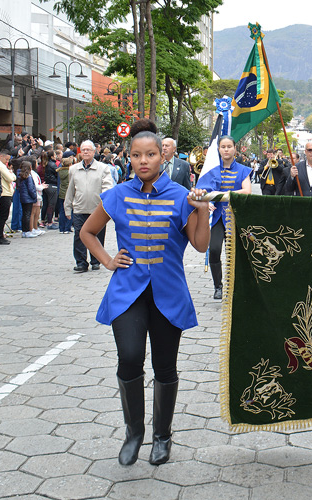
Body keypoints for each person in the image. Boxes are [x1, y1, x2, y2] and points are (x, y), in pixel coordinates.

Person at [80, 120, 210, 467]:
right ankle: (133, 433)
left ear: (162, 158)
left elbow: (200, 246)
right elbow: (88, 231)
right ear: (129, 157)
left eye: (150, 154)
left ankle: (162, 436)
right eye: (136, 155)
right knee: (129, 357)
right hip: (127, 293)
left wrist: (203, 211)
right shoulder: (118, 194)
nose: (143, 160)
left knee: (165, 366)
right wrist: (108, 260)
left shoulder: (182, 196)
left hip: (169, 293)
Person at [196, 136, 252, 299]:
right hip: (216, 217)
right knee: (214, 250)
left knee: (234, 253)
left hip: (234, 216)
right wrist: (208, 201)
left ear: (235, 149)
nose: (226, 149)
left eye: (229, 146)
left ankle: (234, 286)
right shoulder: (211, 169)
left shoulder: (243, 170)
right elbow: (202, 191)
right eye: (223, 147)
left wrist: (221, 195)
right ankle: (218, 286)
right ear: (218, 149)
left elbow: (247, 191)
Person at [64, 140, 114, 273]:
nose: (85, 152)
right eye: (83, 150)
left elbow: (108, 188)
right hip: (80, 208)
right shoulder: (73, 169)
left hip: (97, 210)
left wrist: (106, 205)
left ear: (94, 152)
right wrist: (67, 207)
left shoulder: (103, 168)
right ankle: (81, 262)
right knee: (79, 235)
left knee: (98, 235)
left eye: (88, 150)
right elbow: (70, 190)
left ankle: (96, 260)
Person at [57, 157, 73, 233]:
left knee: (62, 210)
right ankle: (67, 227)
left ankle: (61, 228)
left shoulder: (60, 172)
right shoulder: (70, 172)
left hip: (61, 192)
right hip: (68, 193)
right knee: (70, 210)